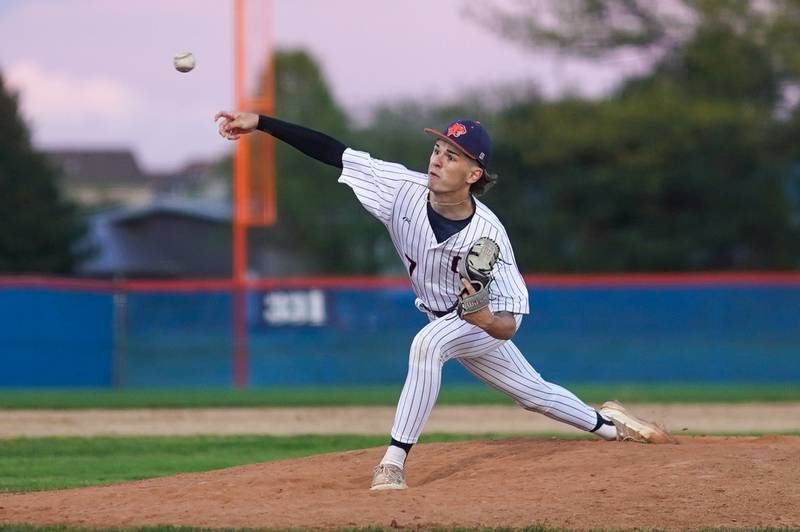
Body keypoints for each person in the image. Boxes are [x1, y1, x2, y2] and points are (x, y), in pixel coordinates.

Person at [214, 111, 672, 490]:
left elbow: (509, 323)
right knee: (534, 394)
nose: (437, 159)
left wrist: (485, 317)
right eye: (437, 149)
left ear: (473, 175)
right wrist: (261, 122)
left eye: (452, 156)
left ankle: (393, 461)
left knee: (427, 345)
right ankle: (612, 425)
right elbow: (333, 151)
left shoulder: (489, 235)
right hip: (443, 315)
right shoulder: (401, 189)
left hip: (475, 323)